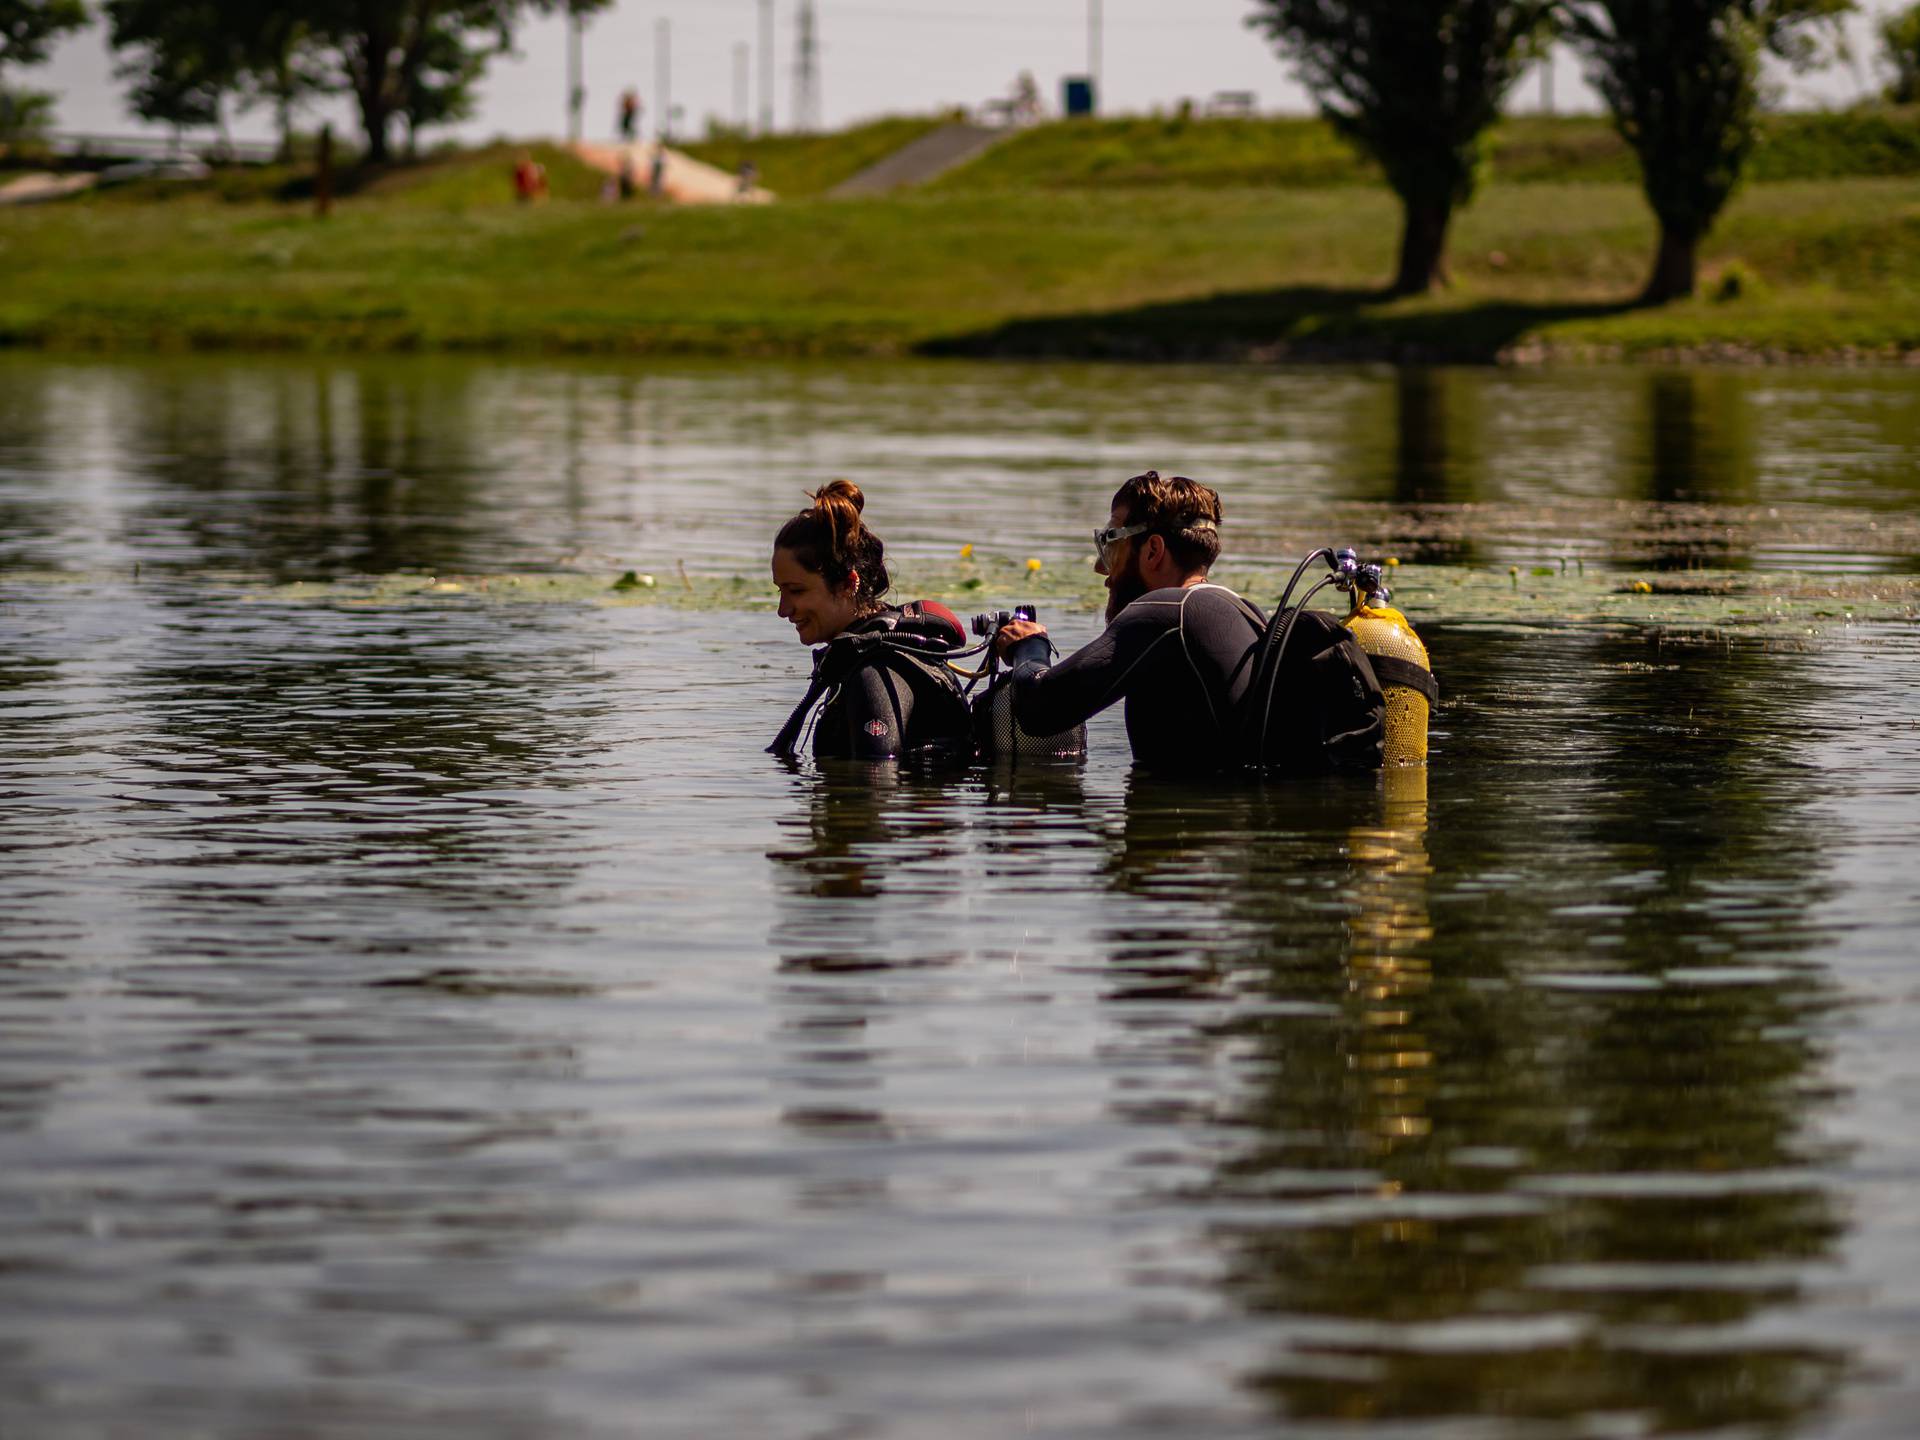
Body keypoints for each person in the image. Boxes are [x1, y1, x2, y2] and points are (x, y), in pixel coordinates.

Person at [990, 470, 1267, 776]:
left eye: (1111, 544)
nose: (1100, 567)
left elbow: (1039, 708)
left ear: (1153, 551)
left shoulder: (1164, 614)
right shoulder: (1248, 614)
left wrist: (1029, 646)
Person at [769, 481, 973, 763]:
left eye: (797, 591)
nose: (783, 609)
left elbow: (875, 783)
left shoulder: (873, 673)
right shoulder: (858, 658)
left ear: (847, 584)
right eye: (781, 591)